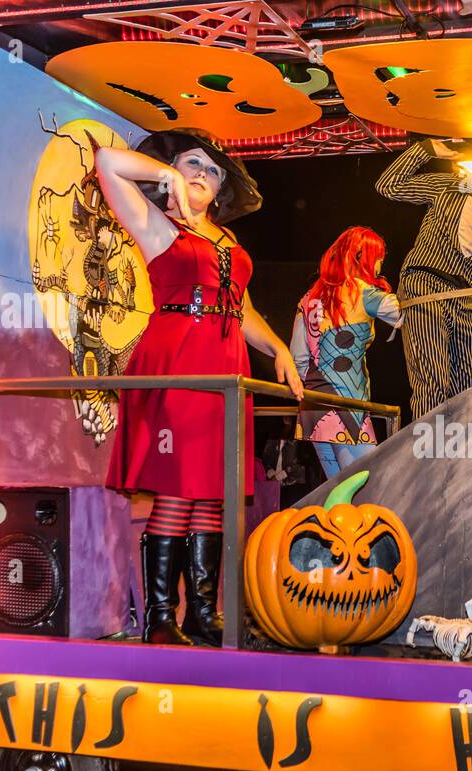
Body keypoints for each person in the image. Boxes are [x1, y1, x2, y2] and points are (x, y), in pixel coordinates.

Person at [96, 127, 304, 647]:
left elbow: (244, 308)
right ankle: (160, 618)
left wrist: (278, 348)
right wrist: (164, 173)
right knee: (177, 486)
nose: (203, 175)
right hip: (179, 357)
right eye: (192, 163)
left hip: (226, 359)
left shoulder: (227, 242)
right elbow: (107, 161)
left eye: (212, 171)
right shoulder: (156, 224)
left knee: (213, 489)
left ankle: (202, 613)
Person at [376, 133, 472, 418]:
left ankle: (468, 456)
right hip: (424, 286)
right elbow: (388, 185)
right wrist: (424, 151)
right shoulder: (450, 188)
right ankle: (428, 454)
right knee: (432, 380)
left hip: (463, 300)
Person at [290, 226, 401, 479]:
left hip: (312, 405)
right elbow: (409, 314)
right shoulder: (364, 292)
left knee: (336, 491)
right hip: (346, 405)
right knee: (368, 484)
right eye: (379, 259)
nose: (379, 267)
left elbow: (298, 357)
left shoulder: (309, 297)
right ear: (363, 257)